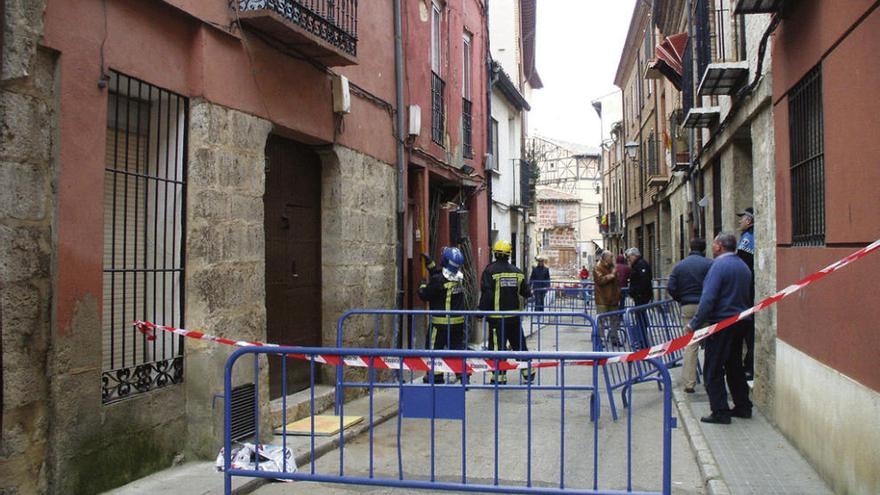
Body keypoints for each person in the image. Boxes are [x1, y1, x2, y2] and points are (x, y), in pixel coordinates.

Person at [685, 233, 753, 425]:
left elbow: (708, 299)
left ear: (719, 247)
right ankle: (742, 406)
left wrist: (694, 324)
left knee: (713, 369)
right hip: (740, 323)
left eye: (714, 243)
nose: (712, 246)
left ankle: (720, 411)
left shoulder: (719, 267)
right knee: (734, 367)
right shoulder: (743, 266)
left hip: (722, 324)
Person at [479, 240, 535, 385]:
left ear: (495, 253)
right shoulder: (517, 272)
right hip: (515, 318)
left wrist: (480, 311)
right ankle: (528, 371)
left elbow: (487, 294)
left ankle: (499, 377)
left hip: (498, 319)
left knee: (498, 348)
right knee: (519, 345)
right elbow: (526, 292)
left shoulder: (489, 271)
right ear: (509, 254)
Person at [667, 238, 712, 393]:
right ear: (704, 249)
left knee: (690, 344)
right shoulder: (710, 264)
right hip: (707, 306)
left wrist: (681, 298)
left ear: (689, 248)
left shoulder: (680, 266)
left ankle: (689, 383)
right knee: (711, 344)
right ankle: (710, 380)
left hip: (688, 306)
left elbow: (671, 287)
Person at [418, 247, 467, 384]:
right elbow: (440, 276)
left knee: (434, 350)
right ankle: (462, 376)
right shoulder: (459, 277)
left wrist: (422, 286)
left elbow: (425, 295)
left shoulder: (438, 281)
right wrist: (431, 265)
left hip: (440, 324)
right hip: (457, 324)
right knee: (457, 350)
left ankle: (436, 376)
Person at [736, 207, 756, 380]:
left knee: (748, 332)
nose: (739, 221)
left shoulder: (747, 239)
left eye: (742, 219)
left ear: (749, 220)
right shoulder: (750, 236)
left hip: (748, 293)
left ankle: (748, 368)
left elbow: (743, 266)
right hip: (751, 291)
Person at [592, 251, 622, 346]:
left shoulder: (612, 267)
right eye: (610, 257)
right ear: (605, 258)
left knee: (614, 320)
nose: (612, 259)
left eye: (612, 257)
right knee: (601, 320)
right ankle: (599, 339)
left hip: (613, 298)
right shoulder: (598, 267)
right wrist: (612, 275)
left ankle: (614, 338)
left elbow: (617, 280)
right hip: (602, 298)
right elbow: (600, 280)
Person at [626, 247, 653, 348]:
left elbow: (644, 281)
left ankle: (642, 341)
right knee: (640, 318)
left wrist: (637, 293)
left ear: (634, 255)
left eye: (629, 257)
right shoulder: (637, 264)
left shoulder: (641, 264)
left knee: (641, 318)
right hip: (640, 296)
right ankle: (641, 339)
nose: (629, 259)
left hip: (641, 297)